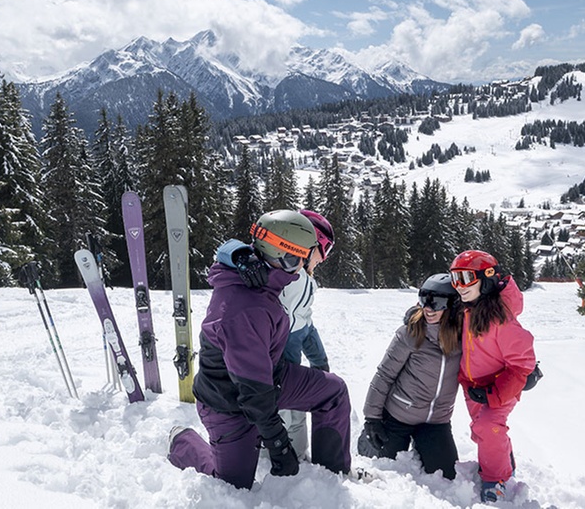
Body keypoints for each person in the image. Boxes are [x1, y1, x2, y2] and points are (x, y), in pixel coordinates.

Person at [167, 209, 351, 490]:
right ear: (284, 256)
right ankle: (182, 441)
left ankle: (330, 476)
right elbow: (253, 393)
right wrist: (278, 444)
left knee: (333, 392)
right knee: (233, 486)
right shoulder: (244, 309)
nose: (302, 266)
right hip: (228, 403)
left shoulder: (263, 272)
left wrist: (237, 252)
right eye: (297, 259)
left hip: (269, 378)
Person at [214, 209, 335, 460]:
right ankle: (272, 463)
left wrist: (319, 361)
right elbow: (228, 251)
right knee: (281, 416)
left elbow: (305, 324)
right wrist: (239, 256)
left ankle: (298, 459)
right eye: (324, 249)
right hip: (269, 371)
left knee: (297, 417)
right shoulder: (285, 273)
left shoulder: (303, 280)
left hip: (289, 367)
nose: (324, 259)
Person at [449, 250, 536, 503]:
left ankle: (495, 479)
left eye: (466, 278)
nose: (459, 287)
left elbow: (522, 363)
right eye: (455, 279)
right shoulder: (467, 309)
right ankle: (503, 459)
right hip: (473, 386)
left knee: (487, 427)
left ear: (487, 279)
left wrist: (495, 393)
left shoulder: (500, 318)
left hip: (499, 386)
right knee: (482, 430)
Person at [358, 273, 462, 480]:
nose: (429, 308)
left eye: (437, 302)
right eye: (424, 299)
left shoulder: (464, 337)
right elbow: (384, 375)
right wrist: (372, 419)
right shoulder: (410, 333)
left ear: (453, 305)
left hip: (436, 421)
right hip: (398, 416)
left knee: (447, 474)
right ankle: (364, 440)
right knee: (384, 463)